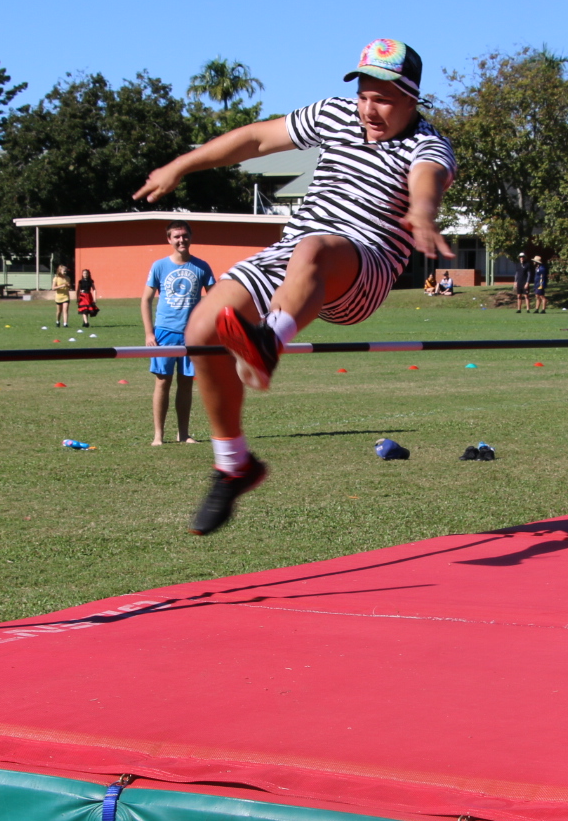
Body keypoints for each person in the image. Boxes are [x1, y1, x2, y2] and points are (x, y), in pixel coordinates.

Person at [133, 38, 455, 535]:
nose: (370, 109)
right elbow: (257, 140)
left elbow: (427, 178)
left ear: (413, 99)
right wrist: (182, 164)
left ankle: (268, 342)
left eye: (384, 100)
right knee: (202, 327)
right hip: (292, 255)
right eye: (365, 95)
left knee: (315, 249)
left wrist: (423, 211)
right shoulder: (334, 115)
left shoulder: (427, 144)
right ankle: (233, 462)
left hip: (361, 268)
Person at [141, 222, 215, 446]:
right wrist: (149, 333)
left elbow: (215, 299)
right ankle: (158, 436)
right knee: (163, 382)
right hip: (164, 333)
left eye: (184, 236)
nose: (181, 240)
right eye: (176, 237)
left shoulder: (202, 267)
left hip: (192, 335)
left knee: (186, 383)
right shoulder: (159, 266)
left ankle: (183, 433)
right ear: (169, 240)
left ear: (191, 237)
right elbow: (145, 299)